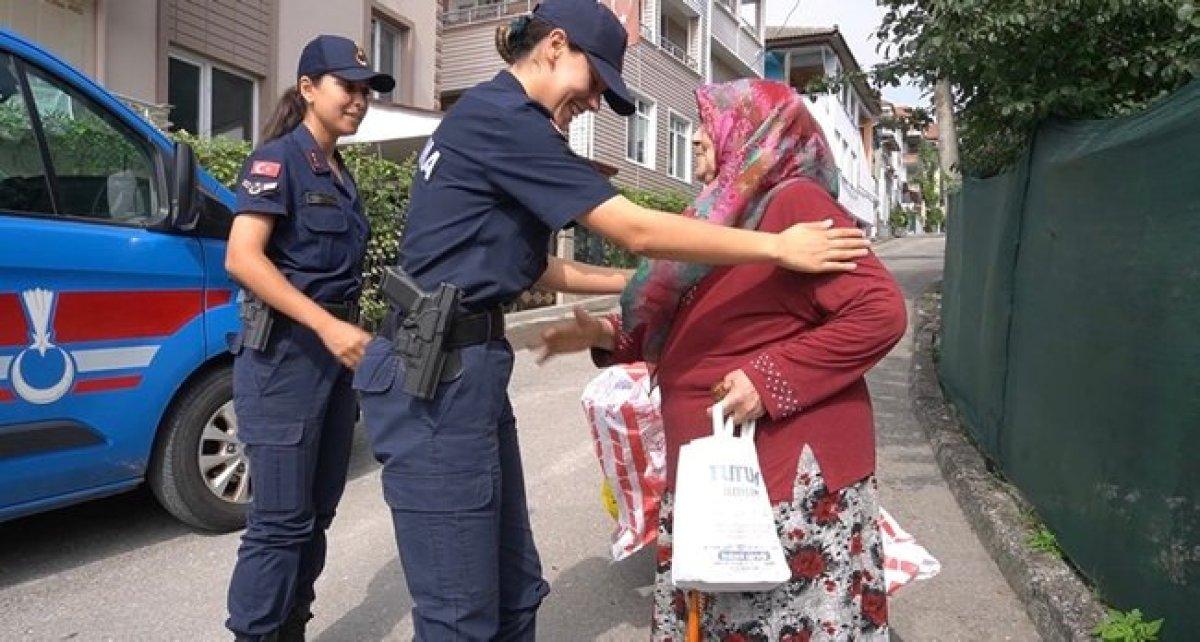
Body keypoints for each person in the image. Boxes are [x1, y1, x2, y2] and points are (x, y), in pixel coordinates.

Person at [351, 1, 872, 639]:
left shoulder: (498, 122)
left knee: (515, 591)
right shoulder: (505, 120)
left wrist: (643, 291)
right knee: (461, 612)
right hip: (432, 375)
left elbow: (538, 268)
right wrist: (777, 247)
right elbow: (633, 229)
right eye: (595, 80)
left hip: (465, 367)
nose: (596, 100)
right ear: (553, 46)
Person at [538, 79, 908, 641]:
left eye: (709, 126)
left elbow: (880, 312)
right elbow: (706, 317)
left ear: (754, 133)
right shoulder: (728, 213)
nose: (697, 141)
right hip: (725, 475)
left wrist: (771, 380)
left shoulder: (795, 202)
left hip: (786, 482)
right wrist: (610, 336)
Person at [222, 35, 394, 642]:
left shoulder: (340, 172)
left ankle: (290, 628)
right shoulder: (277, 160)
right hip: (283, 362)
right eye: (347, 86)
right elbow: (243, 258)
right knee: (279, 521)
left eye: (366, 89)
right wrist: (325, 323)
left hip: (330, 366)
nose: (359, 99)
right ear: (307, 89)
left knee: (316, 514)